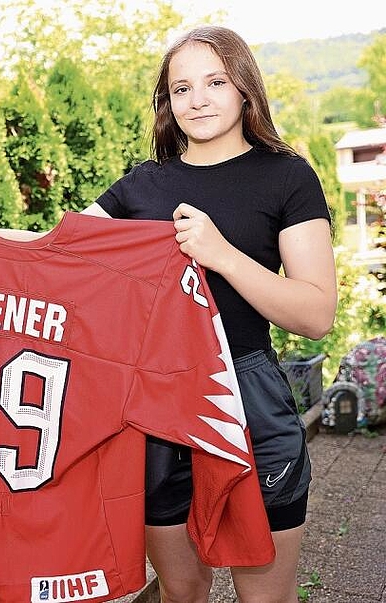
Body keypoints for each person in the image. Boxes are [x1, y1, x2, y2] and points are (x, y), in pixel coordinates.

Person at [81, 25, 338, 603]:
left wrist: (221, 254)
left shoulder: (288, 176)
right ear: (167, 103)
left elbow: (316, 313)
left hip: (246, 395)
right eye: (181, 88)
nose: (196, 99)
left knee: (264, 596)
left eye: (215, 82)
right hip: (153, 404)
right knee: (183, 593)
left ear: (245, 88)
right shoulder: (142, 185)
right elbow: (55, 255)